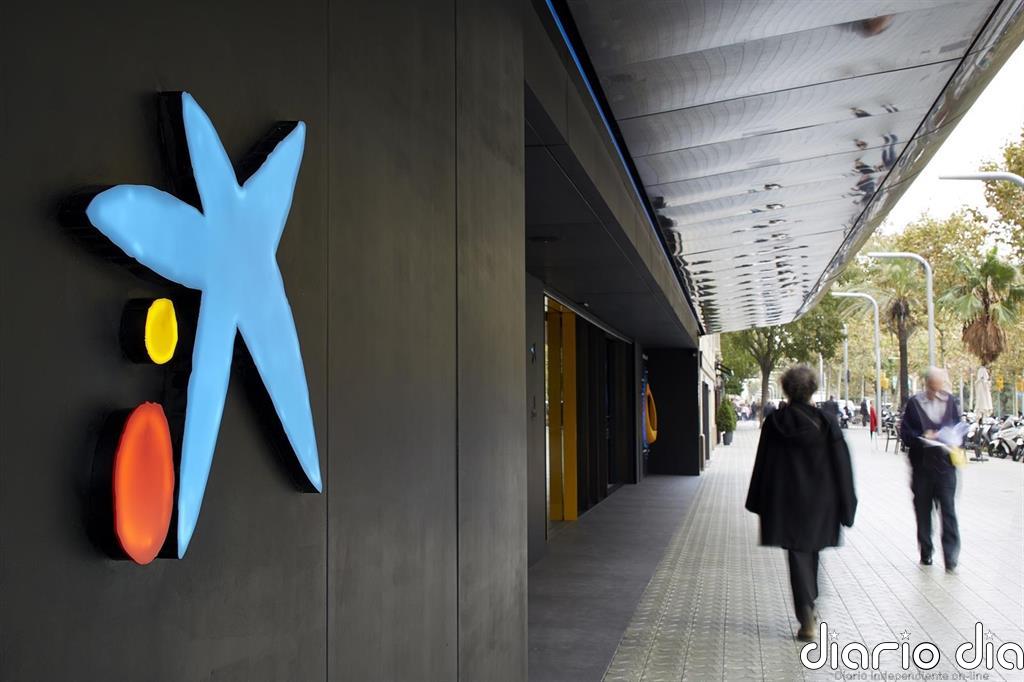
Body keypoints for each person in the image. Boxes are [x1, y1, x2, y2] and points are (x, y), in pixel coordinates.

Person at [745, 365, 857, 641]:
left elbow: (763, 464)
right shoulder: (827, 422)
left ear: (785, 389)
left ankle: (807, 611)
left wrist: (758, 502)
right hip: (821, 502)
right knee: (810, 551)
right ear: (812, 389)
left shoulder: (774, 423)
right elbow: (842, 465)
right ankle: (808, 610)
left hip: (785, 501)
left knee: (798, 554)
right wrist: (848, 504)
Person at [899, 367, 962, 572]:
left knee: (948, 511)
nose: (936, 390)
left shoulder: (950, 402)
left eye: (939, 385)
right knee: (923, 511)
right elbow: (906, 434)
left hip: (946, 466)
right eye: (933, 386)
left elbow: (958, 427)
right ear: (926, 384)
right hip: (922, 467)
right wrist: (922, 437)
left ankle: (951, 557)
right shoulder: (914, 404)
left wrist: (954, 437)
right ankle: (926, 551)